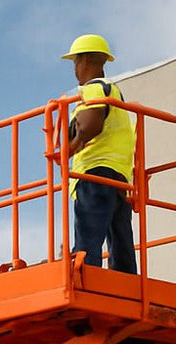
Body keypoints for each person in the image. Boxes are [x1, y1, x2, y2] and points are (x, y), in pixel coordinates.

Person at [63, 33, 137, 273]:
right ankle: (126, 281)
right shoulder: (114, 93)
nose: (75, 68)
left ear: (83, 60)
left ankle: (86, 278)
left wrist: (72, 145)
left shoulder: (93, 88)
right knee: (120, 235)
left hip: (94, 174)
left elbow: (90, 124)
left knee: (88, 233)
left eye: (75, 61)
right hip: (119, 177)